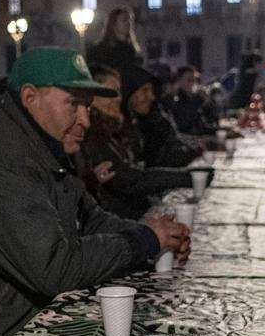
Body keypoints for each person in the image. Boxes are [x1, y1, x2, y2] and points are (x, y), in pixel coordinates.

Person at [0, 47, 190, 336]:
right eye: (74, 104)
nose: (85, 120)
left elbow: (91, 219)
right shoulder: (2, 163)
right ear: (30, 97)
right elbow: (57, 270)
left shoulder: (41, 144)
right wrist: (144, 240)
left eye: (87, 106)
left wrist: (155, 235)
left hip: (34, 316)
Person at [79, 65, 195, 220]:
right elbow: (128, 181)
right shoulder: (92, 133)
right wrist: (188, 177)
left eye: (118, 91)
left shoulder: (115, 127)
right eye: (108, 92)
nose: (117, 98)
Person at [123, 64, 204, 168]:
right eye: (145, 90)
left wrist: (196, 144)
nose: (151, 96)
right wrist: (192, 150)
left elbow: (173, 139)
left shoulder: (153, 113)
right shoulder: (130, 124)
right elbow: (157, 161)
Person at [85, 6, 144, 71]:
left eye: (130, 20)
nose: (129, 23)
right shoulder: (101, 49)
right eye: (124, 20)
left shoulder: (130, 48)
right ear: (114, 23)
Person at [165, 65, 217, 136]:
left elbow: (207, 123)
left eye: (195, 80)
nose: (193, 83)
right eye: (189, 80)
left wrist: (207, 103)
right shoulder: (175, 101)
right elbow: (185, 128)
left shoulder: (195, 99)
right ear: (179, 81)